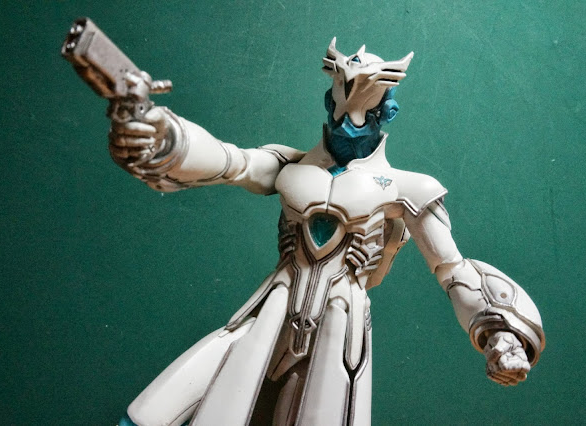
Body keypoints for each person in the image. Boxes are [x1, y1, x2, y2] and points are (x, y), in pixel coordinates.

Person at [111, 39, 544, 426]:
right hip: (268, 316)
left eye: (366, 108)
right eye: (342, 100)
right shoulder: (288, 165)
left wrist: (500, 333)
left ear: (386, 113)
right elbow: (228, 162)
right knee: (160, 407)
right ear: (328, 99)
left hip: (338, 332)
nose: (349, 119)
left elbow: (453, 270)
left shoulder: (407, 189)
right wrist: (160, 134)